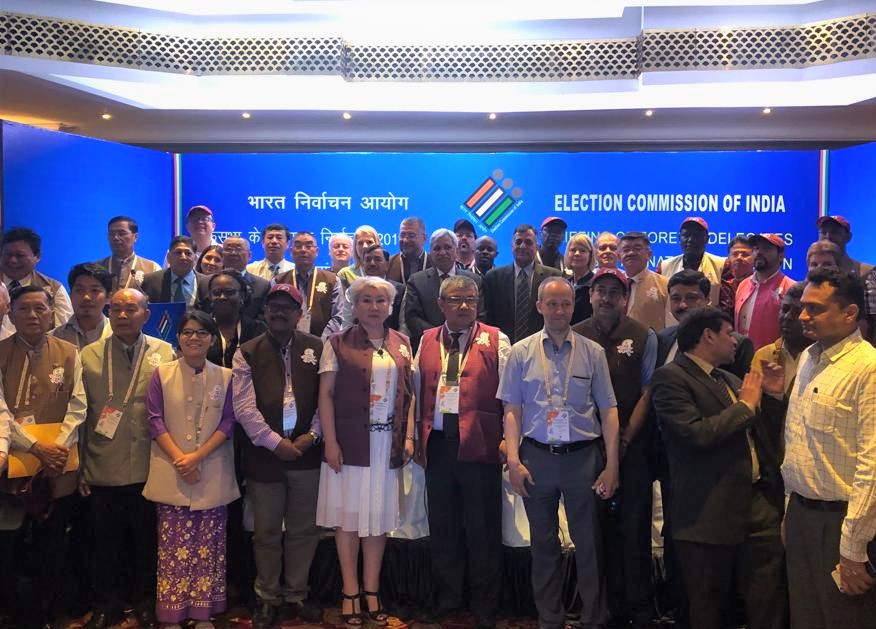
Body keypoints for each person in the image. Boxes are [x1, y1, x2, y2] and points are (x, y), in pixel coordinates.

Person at [651, 307, 787, 629]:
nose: (736, 340)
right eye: (729, 333)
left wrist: (773, 397)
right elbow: (696, 435)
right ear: (708, 336)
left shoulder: (729, 378)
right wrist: (745, 405)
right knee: (710, 608)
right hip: (706, 513)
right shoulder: (671, 378)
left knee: (767, 602)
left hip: (757, 506)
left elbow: (762, 436)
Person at [499, 276, 620, 629]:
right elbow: (511, 410)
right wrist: (513, 461)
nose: (559, 311)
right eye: (551, 304)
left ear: (573, 306)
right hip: (536, 458)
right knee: (543, 545)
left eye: (565, 304)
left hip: (583, 459)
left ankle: (593, 618)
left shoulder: (592, 352)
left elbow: (609, 410)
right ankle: (549, 619)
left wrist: (612, 466)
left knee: (589, 545)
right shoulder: (520, 352)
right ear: (539, 306)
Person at [317, 276, 414, 629]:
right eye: (366, 300)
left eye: (380, 301)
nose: (374, 307)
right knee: (348, 520)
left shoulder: (402, 343)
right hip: (349, 443)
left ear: (390, 306)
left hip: (387, 443)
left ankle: (372, 591)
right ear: (354, 305)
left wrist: (409, 437)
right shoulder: (337, 342)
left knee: (378, 520)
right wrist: (330, 442)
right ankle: (350, 592)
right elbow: (325, 395)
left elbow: (410, 393)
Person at [413, 276, 510, 629]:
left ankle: (485, 604)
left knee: (483, 527)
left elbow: (510, 395)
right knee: (444, 525)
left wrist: (508, 439)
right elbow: (415, 392)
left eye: (471, 299)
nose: (465, 305)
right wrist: (413, 437)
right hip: (438, 444)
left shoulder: (497, 339)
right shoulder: (426, 339)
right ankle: (449, 597)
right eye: (456, 299)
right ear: (441, 304)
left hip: (481, 443)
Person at [781, 267, 876, 628]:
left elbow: (872, 465)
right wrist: (790, 511)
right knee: (805, 618)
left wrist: (853, 547)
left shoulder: (868, 368)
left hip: (844, 522)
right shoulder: (809, 357)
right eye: (803, 306)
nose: (803, 316)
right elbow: (798, 442)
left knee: (845, 619)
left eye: (816, 309)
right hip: (802, 515)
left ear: (850, 313)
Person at [79, 288, 176, 629]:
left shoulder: (165, 352)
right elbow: (81, 416)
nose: (122, 315)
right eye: (116, 309)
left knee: (146, 541)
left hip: (150, 466)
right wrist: (80, 469)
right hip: (102, 465)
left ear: (146, 315)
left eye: (130, 309)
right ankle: (108, 604)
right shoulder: (89, 355)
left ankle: (146, 603)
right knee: (105, 543)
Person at [232, 284, 324, 629]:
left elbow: (326, 399)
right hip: (264, 457)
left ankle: (296, 595)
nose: (280, 312)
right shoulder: (247, 351)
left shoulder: (318, 347)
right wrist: (275, 443)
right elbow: (243, 408)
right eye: (274, 307)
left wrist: (311, 436)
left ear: (300, 314)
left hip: (307, 454)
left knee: (304, 530)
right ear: (265, 312)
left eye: (287, 307)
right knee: (266, 532)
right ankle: (268, 597)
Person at [572, 268, 658, 628]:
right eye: (600, 291)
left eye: (614, 292)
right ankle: (601, 608)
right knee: (594, 531)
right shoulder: (576, 334)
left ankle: (639, 610)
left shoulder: (644, 335)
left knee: (634, 528)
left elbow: (648, 391)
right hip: (587, 447)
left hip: (632, 447)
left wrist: (624, 439)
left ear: (625, 298)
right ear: (590, 295)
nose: (606, 298)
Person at [143, 311, 239, 629]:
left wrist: (196, 457)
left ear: (212, 340)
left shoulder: (226, 377)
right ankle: (172, 613)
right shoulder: (161, 373)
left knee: (208, 546)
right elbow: (154, 419)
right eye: (187, 332)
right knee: (173, 547)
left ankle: (202, 612)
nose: (193, 338)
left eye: (201, 333)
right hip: (172, 472)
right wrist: (181, 460)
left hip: (212, 472)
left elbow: (229, 421)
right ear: (178, 338)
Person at [1, 285, 86, 629]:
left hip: (57, 467)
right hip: (11, 465)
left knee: (53, 544)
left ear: (52, 313)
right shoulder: (0, 351)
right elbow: (1, 412)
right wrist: (36, 447)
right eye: (24, 309)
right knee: (11, 545)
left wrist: (56, 449)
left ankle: (51, 612)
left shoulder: (68, 351)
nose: (33, 315)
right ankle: (17, 614)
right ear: (11, 313)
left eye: (40, 308)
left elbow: (78, 406)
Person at [660, 269, 754, 379]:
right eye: (676, 299)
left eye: (691, 298)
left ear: (707, 300)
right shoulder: (663, 337)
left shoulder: (737, 344)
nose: (683, 305)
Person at [401, 228, 482, 352]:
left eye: (448, 247)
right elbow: (412, 318)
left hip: (468, 346)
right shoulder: (416, 281)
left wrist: (460, 335)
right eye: (437, 248)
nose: (442, 252)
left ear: (456, 250)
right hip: (430, 346)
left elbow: (480, 315)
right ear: (431, 252)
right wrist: (441, 335)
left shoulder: (474, 280)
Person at [483, 224, 562, 344]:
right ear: (512, 246)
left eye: (528, 242)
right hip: (502, 347)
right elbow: (488, 318)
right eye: (518, 242)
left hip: (541, 347)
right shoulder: (493, 277)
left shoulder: (553, 277)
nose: (523, 246)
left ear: (537, 247)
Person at [324, 245, 403, 338]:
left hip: (391, 340)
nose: (372, 263)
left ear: (387, 265)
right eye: (368, 260)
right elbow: (347, 323)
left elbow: (402, 324)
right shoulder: (353, 290)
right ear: (363, 265)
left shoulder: (399, 290)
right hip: (358, 340)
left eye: (377, 259)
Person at [1, 227, 73, 327]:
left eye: (20, 255)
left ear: (37, 256)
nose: (13, 260)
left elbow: (64, 331)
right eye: (8, 255)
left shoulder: (54, 289)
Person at [735, 233, 796, 350]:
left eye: (766, 249)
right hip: (740, 356)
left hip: (772, 357)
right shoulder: (743, 285)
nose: (759, 252)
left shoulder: (790, 288)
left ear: (780, 256)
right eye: (756, 248)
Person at [749, 281, 809, 394]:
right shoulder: (763, 356)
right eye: (785, 309)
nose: (787, 317)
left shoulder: (821, 358)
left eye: (797, 312)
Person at [276, 231, 337, 338]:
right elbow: (274, 314)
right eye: (298, 246)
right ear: (291, 251)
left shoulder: (332, 280)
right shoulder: (278, 281)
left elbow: (338, 316)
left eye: (308, 246)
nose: (303, 250)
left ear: (316, 251)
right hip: (285, 341)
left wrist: (321, 341)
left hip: (323, 342)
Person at [658, 217, 726, 305]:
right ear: (679, 238)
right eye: (686, 235)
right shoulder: (664, 266)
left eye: (696, 236)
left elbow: (727, 306)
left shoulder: (722, 265)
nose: (690, 240)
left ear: (707, 239)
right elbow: (659, 302)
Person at [52, 262, 113, 349]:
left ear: (108, 297)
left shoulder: (118, 334)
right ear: (70, 295)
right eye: (80, 290)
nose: (86, 297)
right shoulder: (54, 338)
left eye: (95, 290)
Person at [619, 231, 669, 332]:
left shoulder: (665, 285)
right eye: (626, 249)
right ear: (619, 256)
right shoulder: (615, 283)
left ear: (649, 254)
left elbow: (671, 328)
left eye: (637, 248)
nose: (631, 253)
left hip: (652, 341)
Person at [141, 236, 210, 308]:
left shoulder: (207, 283)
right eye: (178, 253)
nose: (183, 257)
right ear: (168, 257)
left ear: (195, 258)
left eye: (188, 253)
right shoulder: (150, 281)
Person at [97, 216, 161, 292]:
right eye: (111, 234)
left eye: (121, 233)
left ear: (136, 237)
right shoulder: (97, 267)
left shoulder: (153, 268)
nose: (115, 238)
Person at [219, 236, 270, 320]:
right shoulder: (205, 282)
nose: (233, 253)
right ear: (221, 255)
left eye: (238, 249)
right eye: (228, 249)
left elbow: (263, 317)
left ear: (249, 255)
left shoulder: (262, 286)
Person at [564, 232, 596, 325]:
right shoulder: (565, 283)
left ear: (590, 256)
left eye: (582, 251)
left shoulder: (595, 285)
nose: (577, 254)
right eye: (573, 250)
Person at [388, 217, 431, 284]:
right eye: (402, 235)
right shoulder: (389, 263)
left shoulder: (434, 263)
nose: (405, 240)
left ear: (424, 238)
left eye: (411, 235)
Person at [719, 236, 754, 316]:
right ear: (728, 258)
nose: (739, 258)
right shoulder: (720, 285)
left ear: (754, 258)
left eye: (745, 254)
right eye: (735, 254)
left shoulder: (760, 286)